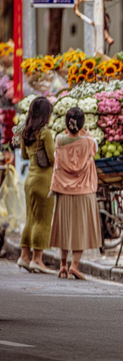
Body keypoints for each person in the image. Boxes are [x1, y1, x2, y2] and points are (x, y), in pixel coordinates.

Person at [49, 107, 101, 280]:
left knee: (65, 228)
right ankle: (75, 266)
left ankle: (63, 265)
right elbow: (94, 148)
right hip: (84, 191)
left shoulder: (59, 140)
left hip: (63, 190)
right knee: (81, 230)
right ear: (82, 123)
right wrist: (84, 133)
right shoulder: (89, 142)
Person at [17, 96, 55, 274]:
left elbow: (24, 156)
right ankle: (37, 259)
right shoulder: (45, 133)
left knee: (30, 219)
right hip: (43, 180)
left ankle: (24, 256)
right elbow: (53, 158)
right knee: (43, 220)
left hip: (30, 180)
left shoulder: (26, 132)